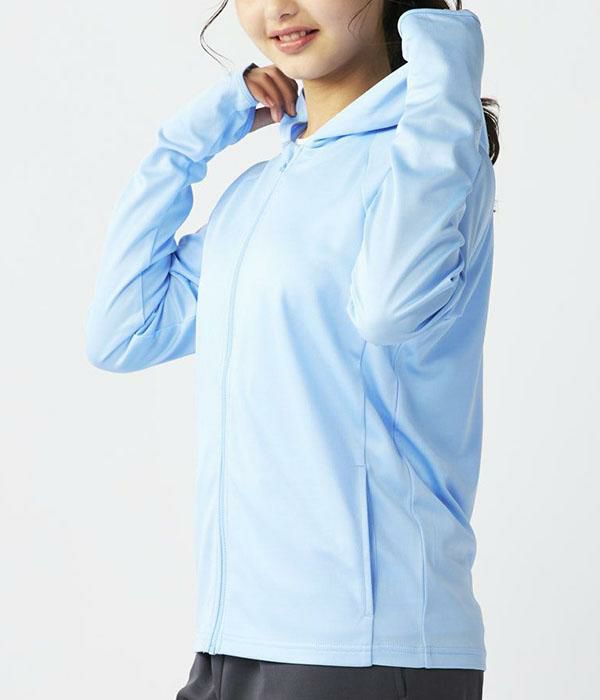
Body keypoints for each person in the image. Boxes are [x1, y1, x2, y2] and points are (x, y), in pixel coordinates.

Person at [85, 1, 500, 698]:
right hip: (236, 637)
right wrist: (185, 144)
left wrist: (444, 74)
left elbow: (391, 307)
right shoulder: (259, 192)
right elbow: (123, 330)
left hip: (367, 645)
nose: (278, 8)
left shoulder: (426, 157)